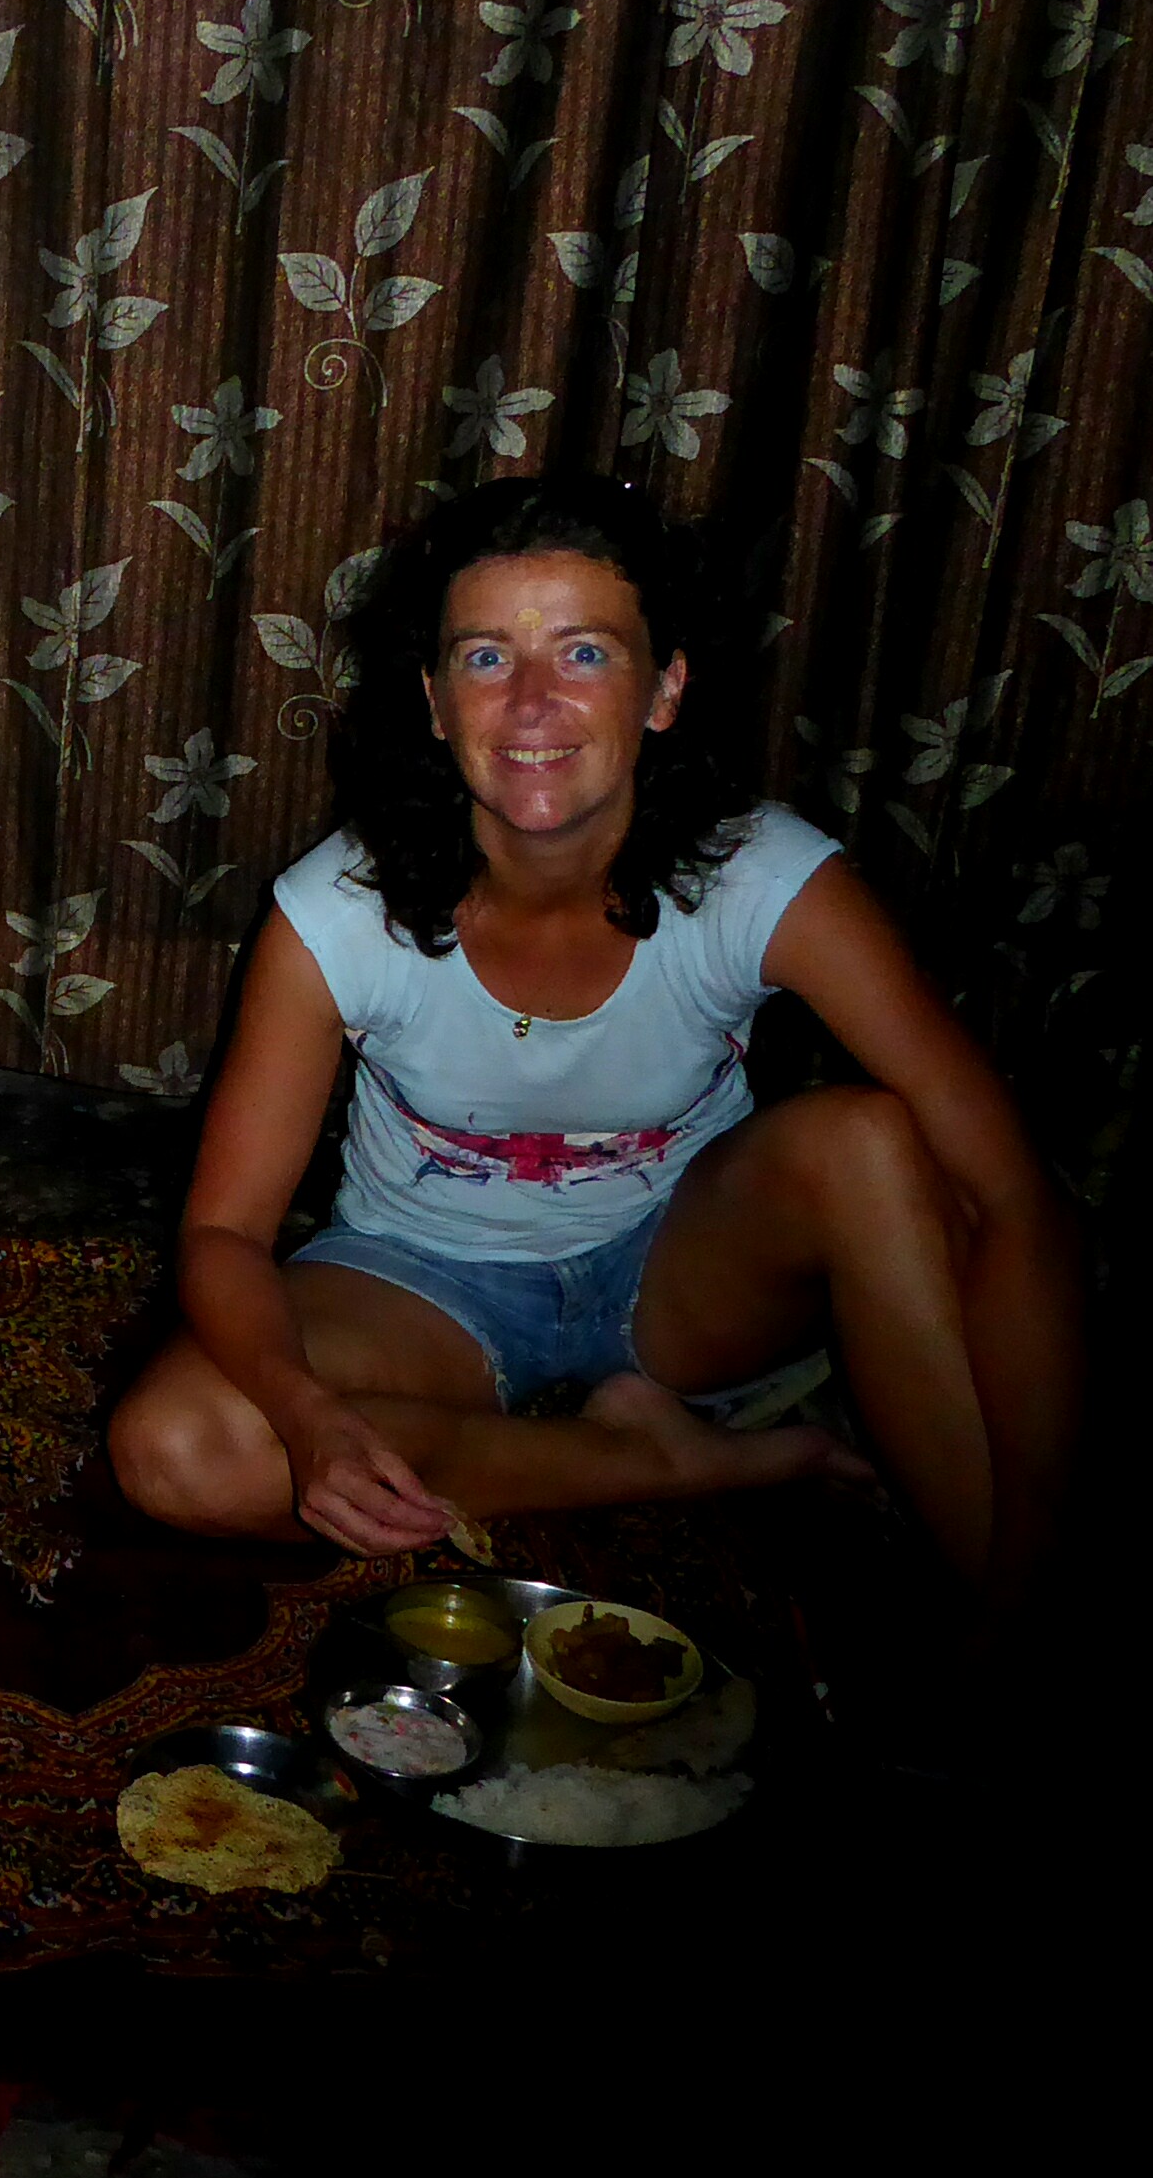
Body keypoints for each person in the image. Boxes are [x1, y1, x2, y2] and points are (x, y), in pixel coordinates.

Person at [108, 473, 1079, 1595]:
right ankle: (646, 1461)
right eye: (483, 657)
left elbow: (1011, 1193)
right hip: (424, 1279)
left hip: (683, 1273)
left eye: (582, 653)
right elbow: (224, 1232)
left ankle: (994, 1606)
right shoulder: (334, 911)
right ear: (432, 701)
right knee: (180, 1454)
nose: (528, 703)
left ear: (662, 688)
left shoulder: (763, 877)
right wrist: (310, 1417)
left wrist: (1027, 1579)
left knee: (869, 1138)